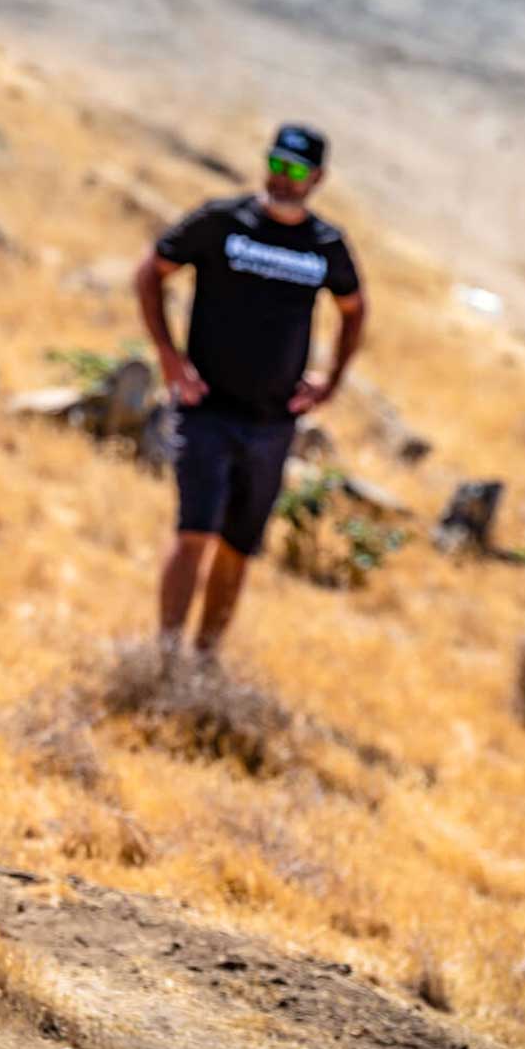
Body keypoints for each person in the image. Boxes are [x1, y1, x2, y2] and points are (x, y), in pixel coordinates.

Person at [133, 123, 367, 655]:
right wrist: (169, 359)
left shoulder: (326, 246)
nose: (282, 179)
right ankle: (163, 658)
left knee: (238, 546)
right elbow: (151, 273)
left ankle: (205, 659)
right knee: (194, 532)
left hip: (272, 424)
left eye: (296, 171)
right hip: (206, 408)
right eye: (276, 165)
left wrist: (330, 382)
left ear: (318, 179)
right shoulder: (222, 221)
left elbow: (354, 310)